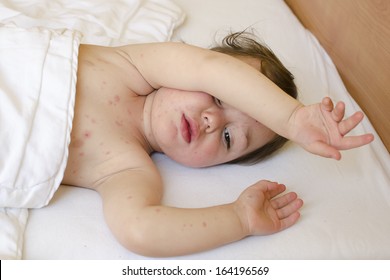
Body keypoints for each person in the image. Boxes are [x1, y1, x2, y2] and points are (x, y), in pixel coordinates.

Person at [61, 32, 374, 257]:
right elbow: (207, 67)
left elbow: (139, 229)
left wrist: (239, 219)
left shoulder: (127, 170)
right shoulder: (129, 65)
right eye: (219, 96)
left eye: (228, 138)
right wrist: (290, 118)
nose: (211, 120)